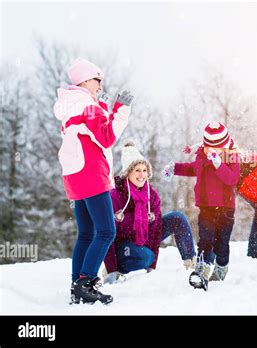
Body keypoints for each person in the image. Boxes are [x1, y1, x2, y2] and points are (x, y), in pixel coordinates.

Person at [53, 58, 134, 304]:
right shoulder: (87, 106)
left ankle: (76, 284)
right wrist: (120, 110)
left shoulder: (71, 104)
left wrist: (101, 107)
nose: (100, 86)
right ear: (86, 80)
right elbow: (107, 137)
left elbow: (92, 133)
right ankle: (86, 281)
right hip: (91, 173)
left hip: (75, 176)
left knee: (86, 234)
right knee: (106, 231)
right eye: (98, 81)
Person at [102, 142, 196, 283]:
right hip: (123, 244)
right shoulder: (115, 196)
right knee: (145, 256)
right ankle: (121, 267)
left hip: (145, 237)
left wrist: (152, 267)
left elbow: (156, 230)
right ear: (128, 172)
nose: (142, 175)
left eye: (144, 170)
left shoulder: (151, 195)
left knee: (177, 218)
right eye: (137, 170)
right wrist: (111, 269)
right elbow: (107, 235)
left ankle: (190, 263)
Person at [162, 121, 240, 291]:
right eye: (208, 148)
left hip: (225, 209)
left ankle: (220, 268)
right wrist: (175, 168)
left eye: (216, 149)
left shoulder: (231, 157)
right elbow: (193, 169)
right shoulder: (201, 156)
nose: (211, 152)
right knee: (205, 239)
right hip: (206, 207)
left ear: (224, 146)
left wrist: (218, 164)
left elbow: (232, 179)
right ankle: (201, 270)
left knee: (221, 244)